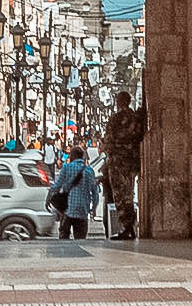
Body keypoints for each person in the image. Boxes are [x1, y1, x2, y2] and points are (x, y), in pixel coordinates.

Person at [103, 91, 146, 239]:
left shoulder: (116, 119)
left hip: (118, 162)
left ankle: (126, 226)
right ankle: (130, 226)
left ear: (119, 102)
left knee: (120, 195)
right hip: (132, 161)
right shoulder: (136, 118)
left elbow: (108, 141)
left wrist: (111, 153)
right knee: (129, 193)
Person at [49, 146, 98, 240]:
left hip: (68, 209)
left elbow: (56, 186)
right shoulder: (89, 171)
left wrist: (49, 198)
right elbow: (95, 192)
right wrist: (93, 209)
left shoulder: (67, 168)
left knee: (63, 238)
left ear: (73, 156)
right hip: (83, 211)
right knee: (80, 239)